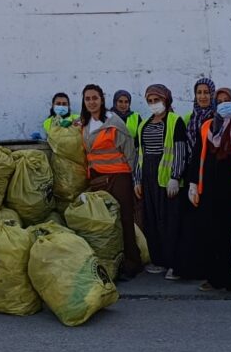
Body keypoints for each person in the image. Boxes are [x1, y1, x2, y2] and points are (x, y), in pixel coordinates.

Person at [187, 87, 231, 299]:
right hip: (210, 190)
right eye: (220, 101)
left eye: (227, 100)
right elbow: (197, 156)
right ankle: (216, 277)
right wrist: (193, 184)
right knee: (212, 234)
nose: (223, 104)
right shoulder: (207, 127)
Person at [78, 84, 142, 279]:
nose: (91, 102)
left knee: (125, 219)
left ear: (101, 99)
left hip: (119, 177)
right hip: (98, 179)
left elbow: (130, 153)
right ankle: (111, 262)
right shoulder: (84, 124)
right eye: (87, 99)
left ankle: (132, 262)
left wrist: (135, 180)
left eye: (94, 98)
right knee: (106, 222)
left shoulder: (114, 123)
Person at [132, 84, 187, 276]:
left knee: (170, 221)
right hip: (148, 178)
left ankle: (175, 263)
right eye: (150, 101)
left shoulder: (175, 121)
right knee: (152, 219)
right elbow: (140, 154)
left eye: (157, 100)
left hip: (166, 180)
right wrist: (137, 180)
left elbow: (180, 150)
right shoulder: (143, 125)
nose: (154, 104)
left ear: (166, 100)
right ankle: (159, 260)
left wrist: (175, 176)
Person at [172, 77, 217, 282]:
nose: (203, 96)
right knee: (190, 223)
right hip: (192, 173)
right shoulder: (191, 117)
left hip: (212, 175)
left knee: (208, 223)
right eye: (199, 92)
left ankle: (209, 269)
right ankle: (191, 268)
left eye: (206, 92)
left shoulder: (218, 117)